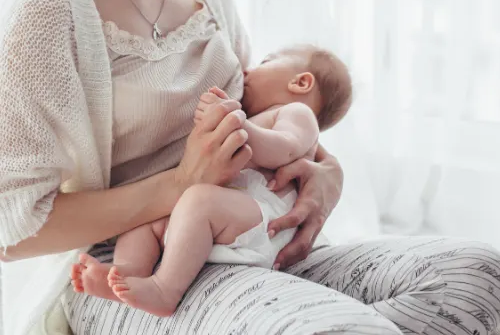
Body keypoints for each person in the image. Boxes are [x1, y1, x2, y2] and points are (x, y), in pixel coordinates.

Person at [0, 0, 499, 335]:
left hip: (243, 233)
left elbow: (258, 112)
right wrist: (177, 187)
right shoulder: (47, 9)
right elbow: (11, 227)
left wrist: (325, 171)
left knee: (479, 278)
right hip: (136, 267)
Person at [69, 46, 353, 317]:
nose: (246, 71)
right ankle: (126, 273)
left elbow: (284, 148)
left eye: (265, 61)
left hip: (265, 219)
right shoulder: (262, 117)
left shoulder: (297, 114)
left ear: (301, 82)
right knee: (147, 219)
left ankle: (164, 290)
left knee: (199, 201)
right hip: (228, 218)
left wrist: (238, 125)